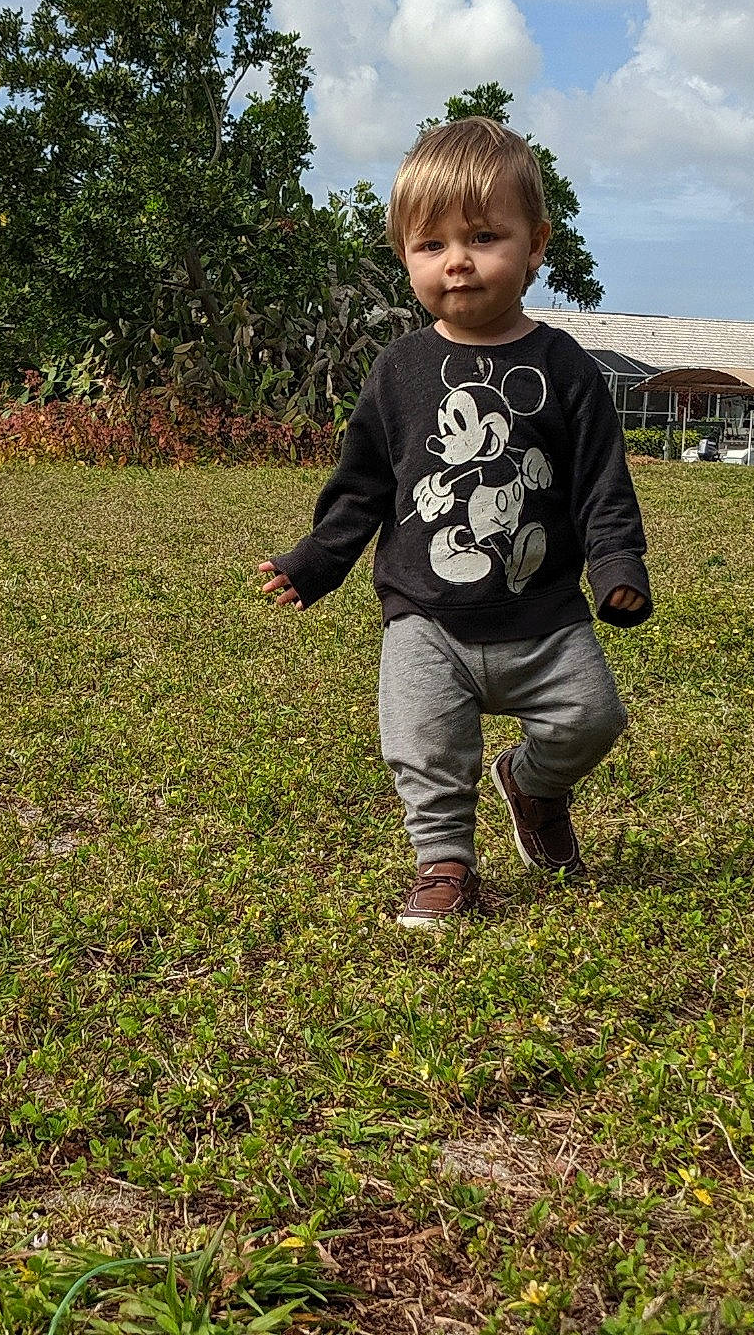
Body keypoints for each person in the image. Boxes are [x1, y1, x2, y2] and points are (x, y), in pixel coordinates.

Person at [259, 116, 652, 928]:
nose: (457, 260)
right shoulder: (398, 371)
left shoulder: (565, 368)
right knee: (425, 745)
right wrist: (315, 563)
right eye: (429, 244)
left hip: (544, 617)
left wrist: (616, 566)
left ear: (536, 243)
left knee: (594, 717)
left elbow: (600, 484)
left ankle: (532, 786)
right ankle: (444, 865)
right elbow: (362, 487)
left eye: (483, 235)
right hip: (425, 615)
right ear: (405, 255)